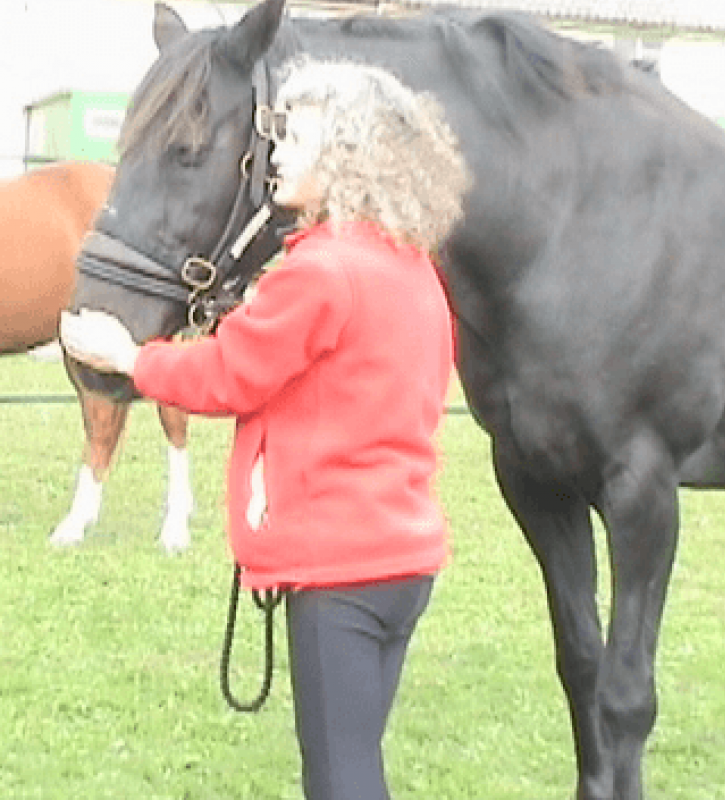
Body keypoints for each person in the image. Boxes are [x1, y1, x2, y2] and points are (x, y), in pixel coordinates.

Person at [61, 58, 470, 800]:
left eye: (295, 137)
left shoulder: (322, 273)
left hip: (338, 566)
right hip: (402, 559)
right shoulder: (410, 266)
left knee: (340, 777)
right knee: (356, 757)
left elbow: (226, 376)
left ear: (345, 157)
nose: (275, 151)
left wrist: (130, 356)